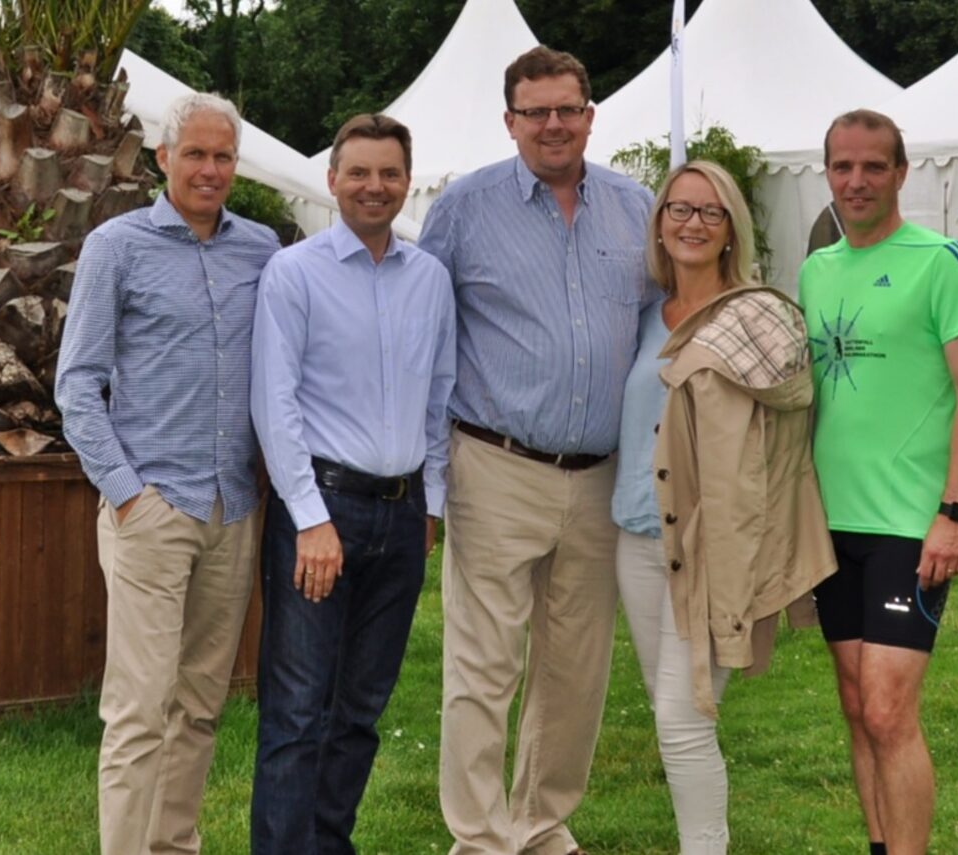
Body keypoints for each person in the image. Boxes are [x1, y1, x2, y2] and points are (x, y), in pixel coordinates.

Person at [418, 45, 655, 855]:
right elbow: (425, 337)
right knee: (484, 669)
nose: (553, 125)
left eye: (567, 109)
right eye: (536, 112)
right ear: (510, 121)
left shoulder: (637, 207)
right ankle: (480, 839)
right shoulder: (463, 209)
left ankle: (540, 822)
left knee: (576, 672)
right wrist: (427, 475)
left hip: (601, 478)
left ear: (590, 115)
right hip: (494, 465)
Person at [56, 92, 280, 855]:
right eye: (196, 154)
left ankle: (173, 845)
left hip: (234, 509)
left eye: (223, 156)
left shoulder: (264, 250)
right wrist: (127, 495)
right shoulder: (116, 246)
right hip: (152, 509)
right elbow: (77, 385)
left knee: (201, 705)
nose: (210, 170)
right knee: (139, 709)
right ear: (163, 157)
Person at [614, 160, 837, 854]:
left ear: (731, 229)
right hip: (635, 539)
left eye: (710, 213)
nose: (692, 224)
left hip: (710, 546)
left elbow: (775, 441)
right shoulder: (645, 316)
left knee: (684, 720)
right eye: (678, 210)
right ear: (659, 224)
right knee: (670, 711)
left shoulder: (756, 320)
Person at [249, 113, 456, 855]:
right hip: (320, 511)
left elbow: (439, 396)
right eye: (359, 172)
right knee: (299, 712)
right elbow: (274, 404)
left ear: (407, 181)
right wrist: (309, 517)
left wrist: (430, 506)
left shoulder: (429, 279)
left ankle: (329, 843)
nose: (375, 186)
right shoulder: (294, 273)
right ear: (332, 180)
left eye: (389, 173)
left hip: (401, 519)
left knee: (362, 710)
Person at [799, 109, 958, 855]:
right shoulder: (816, 270)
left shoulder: (940, 260)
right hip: (829, 523)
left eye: (873, 166)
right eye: (843, 166)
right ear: (828, 173)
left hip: (909, 525)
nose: (856, 180)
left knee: (888, 710)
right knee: (855, 706)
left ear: (901, 172)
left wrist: (956, 510)